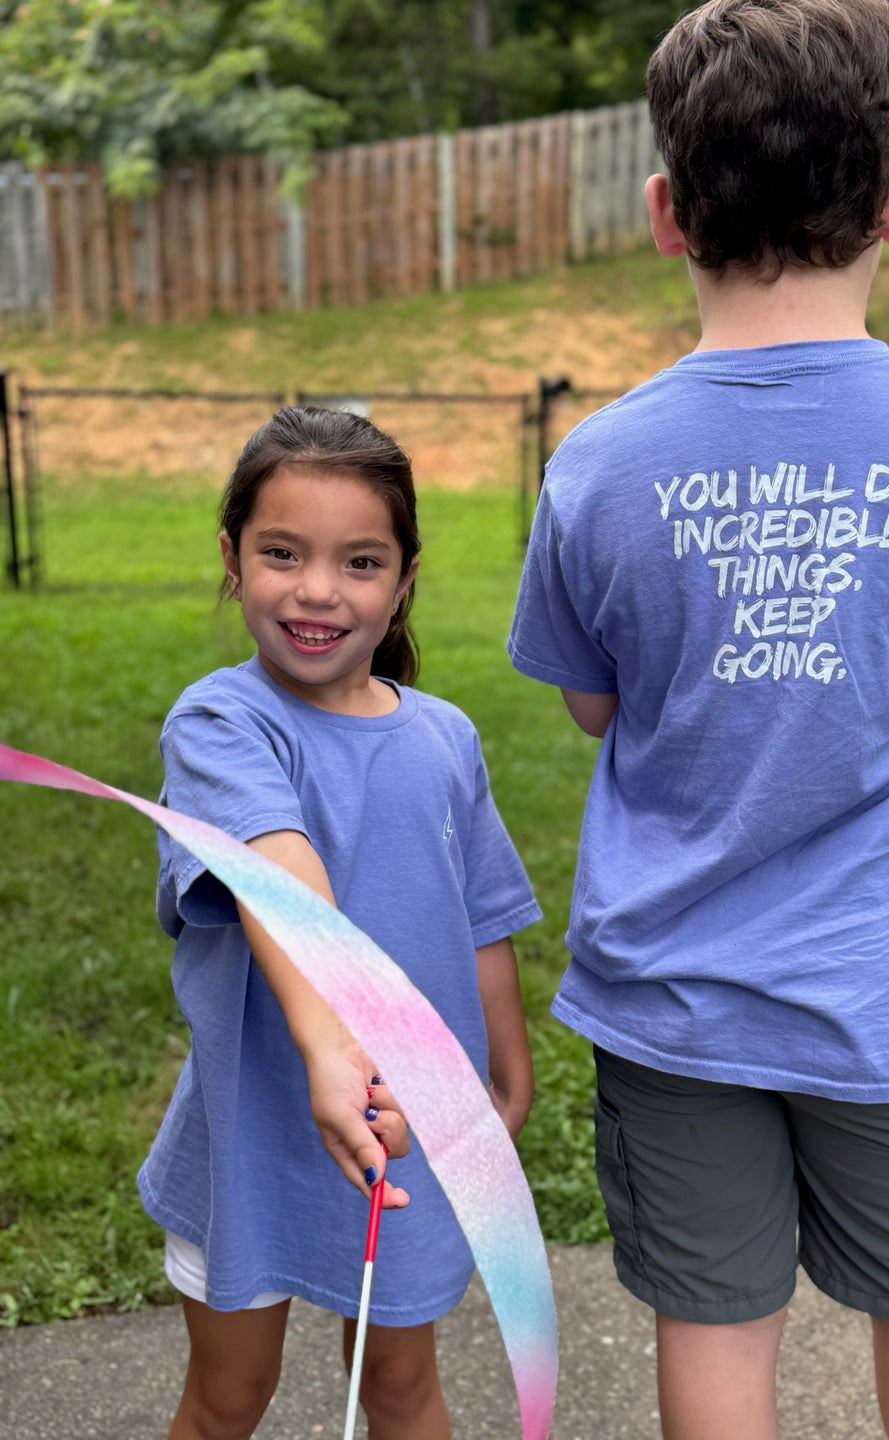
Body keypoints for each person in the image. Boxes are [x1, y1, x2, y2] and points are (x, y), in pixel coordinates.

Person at [507, 4, 889, 1439]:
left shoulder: (597, 465)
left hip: (673, 1001)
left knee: (714, 1333)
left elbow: (589, 701)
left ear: (667, 211)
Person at [141, 405, 540, 1440]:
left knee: (402, 1389)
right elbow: (281, 872)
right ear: (231, 558)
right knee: (231, 1393)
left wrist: (505, 1074)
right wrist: (332, 1047)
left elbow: (482, 914)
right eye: (282, 553)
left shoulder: (445, 737)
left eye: (361, 561)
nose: (318, 590)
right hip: (256, 1129)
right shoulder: (220, 723)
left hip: (408, 1133)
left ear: (405, 577)